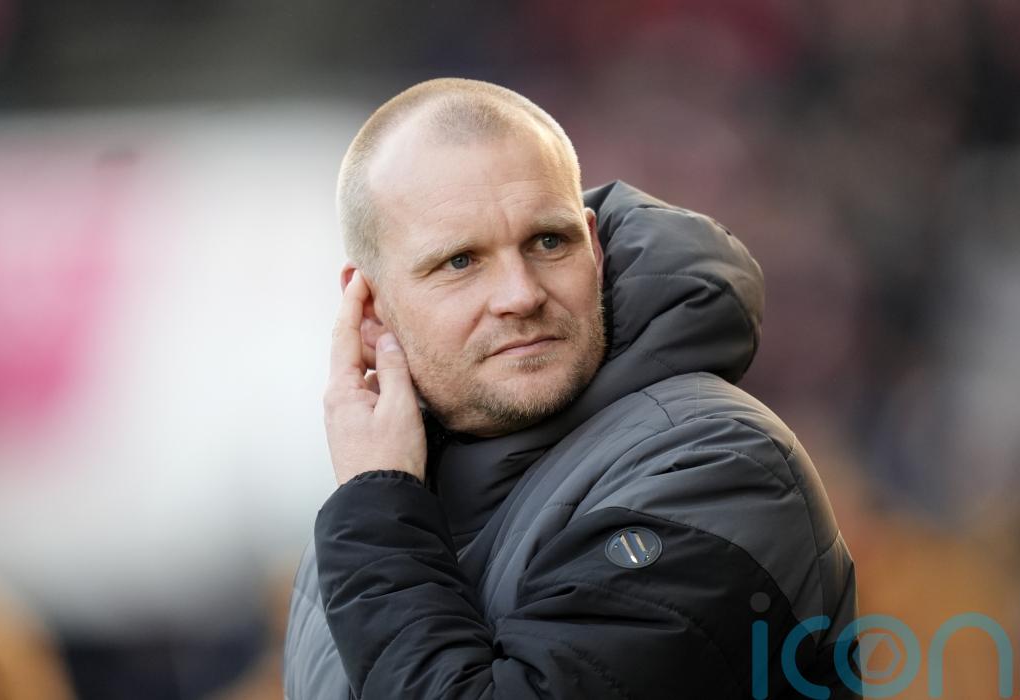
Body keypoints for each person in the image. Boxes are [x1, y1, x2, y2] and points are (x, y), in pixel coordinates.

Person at [284, 77, 859, 698]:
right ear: (369, 309)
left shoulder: (718, 464)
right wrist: (378, 507)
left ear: (595, 249)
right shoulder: (362, 529)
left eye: (549, 242)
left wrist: (378, 514)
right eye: (461, 261)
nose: (521, 294)